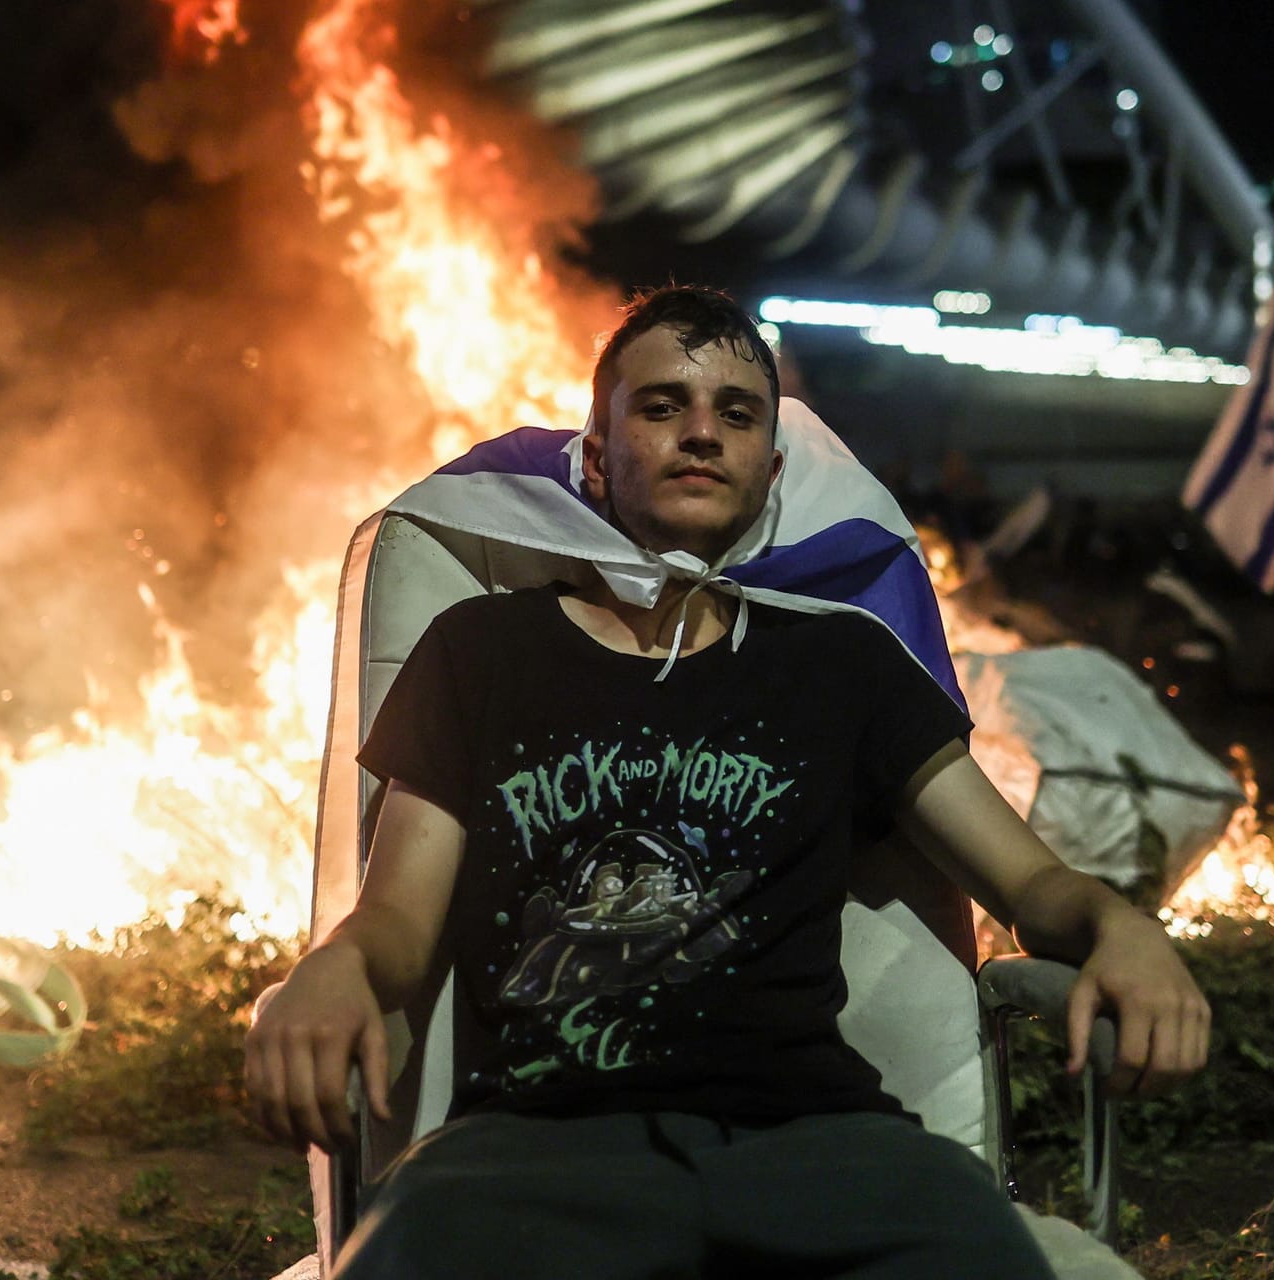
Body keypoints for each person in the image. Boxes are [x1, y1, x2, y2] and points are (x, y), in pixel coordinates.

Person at [245, 286, 1210, 1279]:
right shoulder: (478, 651)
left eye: (737, 413)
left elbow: (1033, 883)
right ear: (592, 456)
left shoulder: (847, 662)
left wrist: (1122, 927)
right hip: (534, 1142)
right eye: (662, 406)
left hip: (815, 1134)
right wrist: (333, 966)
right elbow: (397, 921)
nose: (701, 433)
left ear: (772, 468)